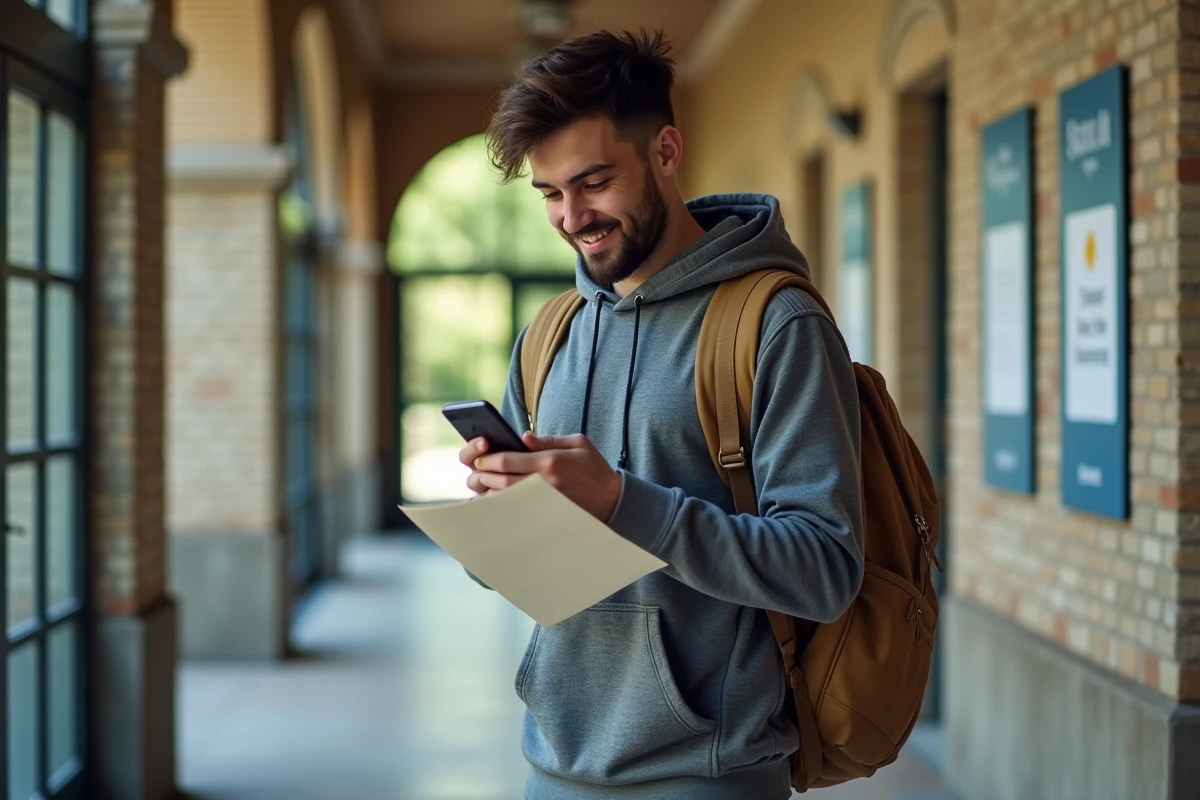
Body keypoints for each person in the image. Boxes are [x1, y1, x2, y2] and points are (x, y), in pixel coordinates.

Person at [459, 28, 864, 800]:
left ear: (666, 153)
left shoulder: (775, 324)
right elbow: (515, 571)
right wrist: (495, 520)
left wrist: (621, 501)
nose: (571, 217)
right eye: (549, 193)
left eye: (593, 182)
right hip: (553, 760)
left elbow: (826, 570)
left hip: (709, 771)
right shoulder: (551, 333)